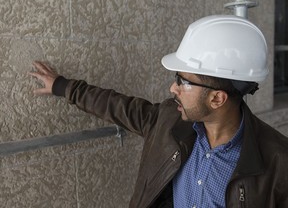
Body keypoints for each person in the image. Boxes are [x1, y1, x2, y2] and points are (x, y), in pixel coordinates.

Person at [29, 15, 288, 208]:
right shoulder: (169, 121)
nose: (173, 87)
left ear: (217, 98)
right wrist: (62, 87)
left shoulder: (278, 163)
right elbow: (119, 106)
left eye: (183, 81)